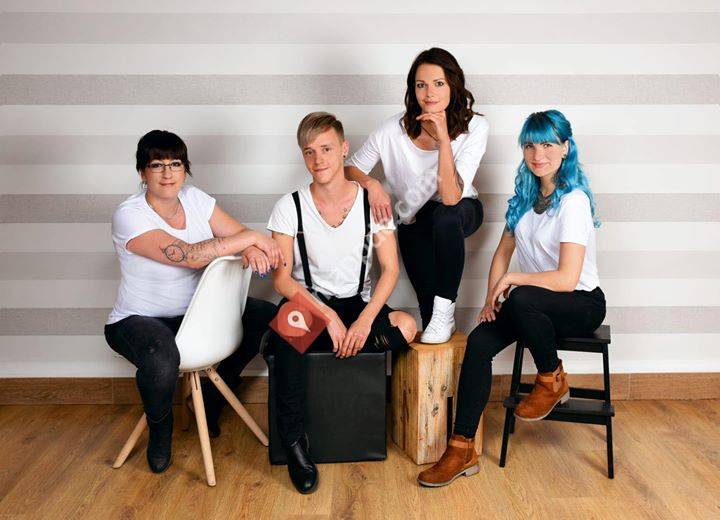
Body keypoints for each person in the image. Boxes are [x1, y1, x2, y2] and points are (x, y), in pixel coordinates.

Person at [417, 110, 607, 487]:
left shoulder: (573, 201)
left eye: (548, 144)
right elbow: (503, 252)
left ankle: (552, 378)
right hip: (533, 304)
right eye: (530, 145)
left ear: (565, 148)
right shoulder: (525, 199)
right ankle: (461, 448)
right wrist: (491, 298)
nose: (538, 154)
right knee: (479, 342)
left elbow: (567, 279)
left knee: (520, 297)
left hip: (581, 303)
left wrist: (512, 281)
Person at [104, 130, 283, 473]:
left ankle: (211, 399)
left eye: (175, 164)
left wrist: (249, 245)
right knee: (161, 359)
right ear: (142, 172)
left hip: (194, 315)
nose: (167, 173)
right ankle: (161, 432)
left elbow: (238, 235)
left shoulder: (196, 199)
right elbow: (188, 256)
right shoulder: (129, 215)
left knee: (266, 318)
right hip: (139, 319)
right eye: (157, 165)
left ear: (185, 169)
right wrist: (250, 239)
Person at [267, 112, 417, 494]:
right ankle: (295, 444)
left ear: (344, 149)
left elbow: (390, 270)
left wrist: (363, 321)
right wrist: (327, 315)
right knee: (288, 332)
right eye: (310, 151)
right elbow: (281, 279)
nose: (318, 159)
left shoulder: (373, 203)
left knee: (406, 326)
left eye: (327, 149)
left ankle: (341, 347)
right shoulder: (289, 206)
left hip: (356, 303)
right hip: (309, 303)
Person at [345, 47, 489, 343]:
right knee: (428, 317)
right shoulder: (391, 130)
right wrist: (372, 185)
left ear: (453, 86)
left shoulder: (475, 127)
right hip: (414, 217)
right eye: (421, 85)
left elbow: (451, 197)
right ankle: (438, 320)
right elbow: (350, 170)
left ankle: (445, 309)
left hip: (462, 208)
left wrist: (444, 139)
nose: (429, 93)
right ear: (413, 89)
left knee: (446, 216)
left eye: (439, 84)